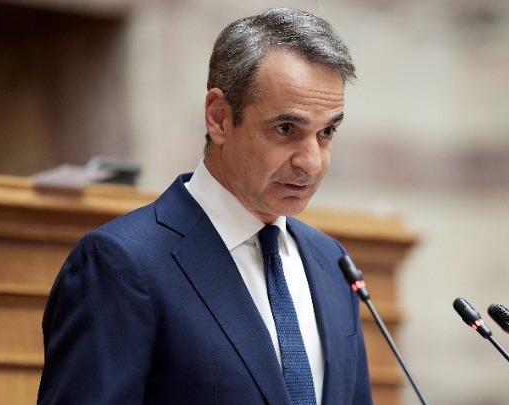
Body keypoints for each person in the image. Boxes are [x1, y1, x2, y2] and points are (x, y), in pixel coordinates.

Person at [38, 8, 373, 405]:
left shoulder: (332, 263)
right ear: (219, 118)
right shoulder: (121, 264)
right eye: (286, 129)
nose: (311, 162)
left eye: (327, 132)